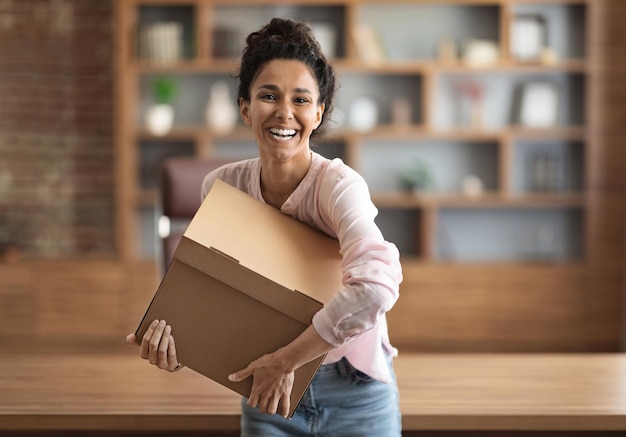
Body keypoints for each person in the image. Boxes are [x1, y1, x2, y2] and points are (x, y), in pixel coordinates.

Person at [127, 17, 403, 436]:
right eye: (268, 95)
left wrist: (286, 360)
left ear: (319, 112)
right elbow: (223, 301)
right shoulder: (222, 187)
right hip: (265, 392)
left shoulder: (338, 187)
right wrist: (181, 346)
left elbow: (377, 286)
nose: (284, 112)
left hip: (354, 391)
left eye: (301, 99)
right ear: (245, 107)